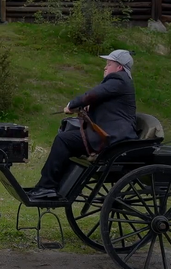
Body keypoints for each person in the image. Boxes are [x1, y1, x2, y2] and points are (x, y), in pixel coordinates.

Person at [28, 49, 138, 200]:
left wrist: (71, 105)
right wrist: (89, 106)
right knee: (66, 136)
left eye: (109, 64)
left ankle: (47, 187)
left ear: (119, 67)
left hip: (112, 137)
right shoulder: (121, 82)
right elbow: (104, 100)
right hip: (109, 133)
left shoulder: (118, 79)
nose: (105, 67)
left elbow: (92, 94)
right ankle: (55, 186)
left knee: (63, 140)